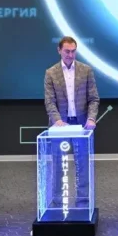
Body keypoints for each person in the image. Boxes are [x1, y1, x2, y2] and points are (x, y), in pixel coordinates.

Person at [44, 36, 100, 208]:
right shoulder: (50, 72)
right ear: (59, 50)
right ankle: (58, 202)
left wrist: (91, 117)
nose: (70, 54)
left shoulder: (86, 70)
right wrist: (57, 120)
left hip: (81, 124)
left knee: (82, 164)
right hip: (60, 125)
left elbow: (94, 99)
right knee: (58, 165)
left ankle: (83, 202)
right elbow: (49, 101)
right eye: (67, 51)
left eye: (73, 51)